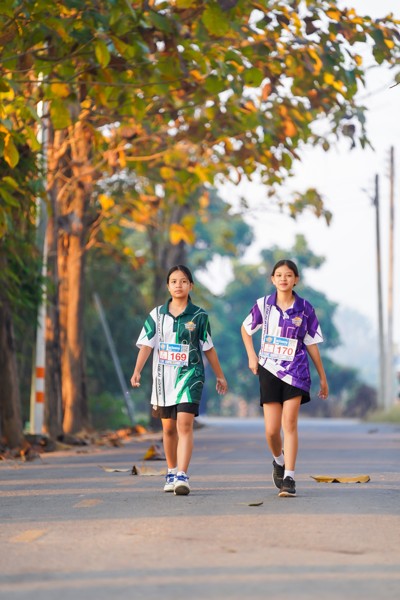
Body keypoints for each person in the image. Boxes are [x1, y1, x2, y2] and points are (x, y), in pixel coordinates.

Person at [131, 264, 228, 496]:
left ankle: (182, 475)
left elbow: (208, 348)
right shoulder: (156, 315)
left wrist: (220, 375)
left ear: (190, 286)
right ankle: (171, 471)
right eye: (174, 281)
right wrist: (137, 371)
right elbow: (146, 345)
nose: (178, 285)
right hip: (163, 380)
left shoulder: (199, 316)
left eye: (183, 281)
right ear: (168, 286)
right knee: (168, 429)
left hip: (191, 376)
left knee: (184, 424)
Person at [241, 259, 328, 497]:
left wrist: (322, 377)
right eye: (279, 275)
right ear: (272, 279)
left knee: (289, 423)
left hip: (296, 372)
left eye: (288, 275)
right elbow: (245, 330)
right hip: (268, 370)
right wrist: (252, 356)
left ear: (296, 279)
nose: (283, 279)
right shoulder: (263, 305)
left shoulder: (305, 308)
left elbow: (311, 344)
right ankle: (278, 461)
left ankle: (289, 477)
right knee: (271, 431)